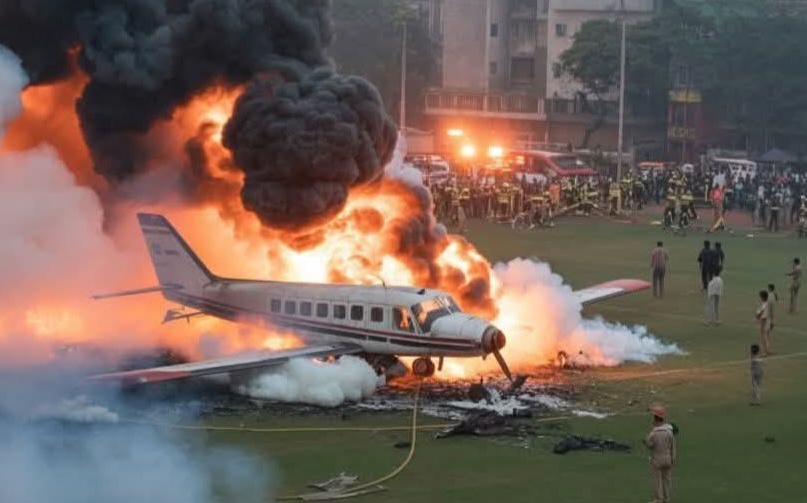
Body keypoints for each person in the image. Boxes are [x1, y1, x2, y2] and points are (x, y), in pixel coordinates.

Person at [645, 406, 676, 503]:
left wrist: (646, 441)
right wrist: (673, 458)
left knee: (657, 479)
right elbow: (673, 446)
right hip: (668, 459)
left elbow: (650, 444)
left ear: (655, 418)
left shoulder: (654, 433)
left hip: (657, 459)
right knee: (666, 480)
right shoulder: (669, 432)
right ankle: (667, 499)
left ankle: (659, 499)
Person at [756, 290, 771, 356]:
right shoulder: (766, 303)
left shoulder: (764, 304)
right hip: (765, 319)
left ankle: (765, 351)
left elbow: (760, 312)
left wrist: (757, 316)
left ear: (763, 297)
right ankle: (767, 350)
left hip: (763, 320)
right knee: (764, 335)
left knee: (762, 336)